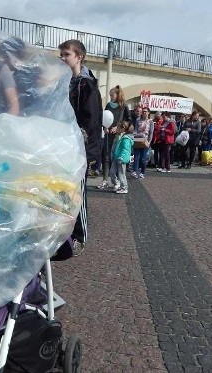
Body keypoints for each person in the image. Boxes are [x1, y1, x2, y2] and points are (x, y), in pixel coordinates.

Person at [59, 39, 102, 256]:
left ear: (79, 57)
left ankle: (80, 236)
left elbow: (91, 121)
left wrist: (80, 144)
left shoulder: (86, 85)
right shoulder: (68, 82)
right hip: (67, 146)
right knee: (66, 191)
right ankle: (66, 233)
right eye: (62, 55)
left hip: (80, 148)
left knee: (79, 191)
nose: (63, 58)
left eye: (67, 54)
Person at [109, 121, 134, 194]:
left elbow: (125, 149)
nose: (117, 129)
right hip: (116, 157)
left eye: (118, 128)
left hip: (121, 159)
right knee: (112, 172)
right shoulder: (120, 137)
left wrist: (122, 157)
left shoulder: (126, 139)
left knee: (121, 173)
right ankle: (117, 183)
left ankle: (124, 188)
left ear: (123, 129)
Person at [131, 107, 153, 178]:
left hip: (145, 141)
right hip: (138, 140)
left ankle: (142, 172)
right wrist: (133, 137)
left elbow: (151, 132)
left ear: (148, 112)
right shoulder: (138, 120)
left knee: (143, 158)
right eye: (143, 111)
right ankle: (134, 171)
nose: (144, 113)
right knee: (136, 157)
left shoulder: (150, 121)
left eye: (145, 111)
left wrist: (149, 141)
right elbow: (135, 130)